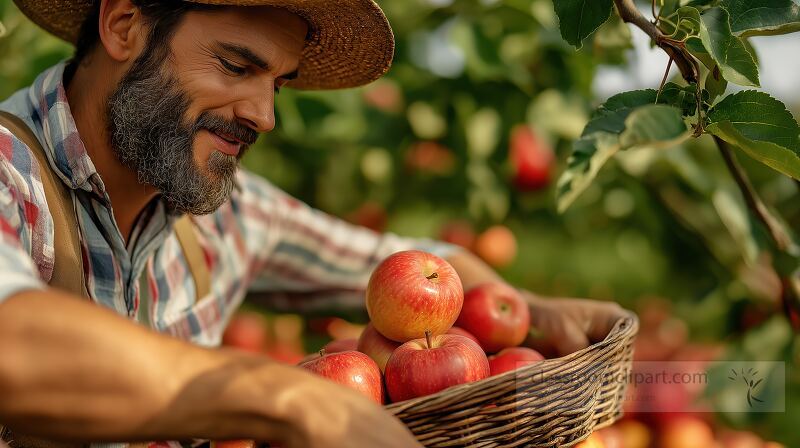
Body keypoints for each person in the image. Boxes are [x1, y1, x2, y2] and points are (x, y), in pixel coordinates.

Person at [0, 0, 627, 446]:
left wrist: (535, 310)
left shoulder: (223, 215)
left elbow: (400, 264)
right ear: (125, 25)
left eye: (279, 84)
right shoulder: (10, 174)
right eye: (237, 66)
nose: (264, 115)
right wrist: (285, 398)